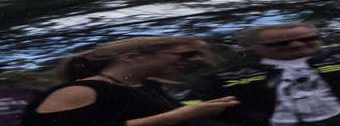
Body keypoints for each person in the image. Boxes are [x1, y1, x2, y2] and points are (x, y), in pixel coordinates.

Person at [184, 23, 340, 126]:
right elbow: (183, 111)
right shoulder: (219, 78)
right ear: (246, 47)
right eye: (281, 44)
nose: (297, 45)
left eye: (308, 39)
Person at [28, 37, 236, 126]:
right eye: (186, 55)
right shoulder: (78, 91)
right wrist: (175, 116)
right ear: (131, 56)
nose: (194, 60)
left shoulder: (147, 86)